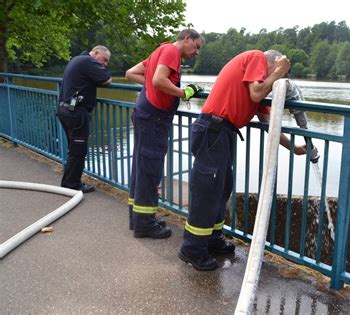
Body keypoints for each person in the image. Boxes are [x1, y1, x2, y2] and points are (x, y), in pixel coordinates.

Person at [179, 50, 307, 271]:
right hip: (213, 129)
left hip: (222, 132)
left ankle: (213, 239)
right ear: (273, 62)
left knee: (222, 188)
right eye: (277, 69)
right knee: (207, 190)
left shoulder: (258, 81)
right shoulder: (257, 57)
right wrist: (278, 72)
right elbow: (257, 93)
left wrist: (294, 148)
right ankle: (191, 249)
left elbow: (269, 125)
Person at [125, 29, 204, 239]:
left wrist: (153, 87)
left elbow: (131, 73)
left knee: (142, 167)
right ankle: (145, 225)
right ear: (186, 38)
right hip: (154, 119)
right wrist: (184, 92)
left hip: (145, 114)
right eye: (196, 46)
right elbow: (159, 80)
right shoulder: (171, 51)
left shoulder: (161, 50)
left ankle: (138, 219)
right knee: (150, 170)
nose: (196, 52)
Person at [57, 45, 112, 193]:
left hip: (66, 110)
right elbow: (107, 78)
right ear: (95, 53)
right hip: (75, 113)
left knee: (74, 150)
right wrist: (101, 75)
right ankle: (73, 185)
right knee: (78, 151)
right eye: (104, 60)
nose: (104, 64)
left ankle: (67, 183)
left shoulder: (77, 59)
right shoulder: (87, 61)